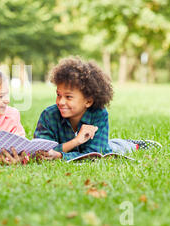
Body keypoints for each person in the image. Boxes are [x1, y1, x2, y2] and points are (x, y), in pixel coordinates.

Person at [34, 57, 162, 161]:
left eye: (68, 97)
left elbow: (96, 154)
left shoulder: (98, 114)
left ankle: (134, 145)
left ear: (88, 101)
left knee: (114, 148)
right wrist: (76, 141)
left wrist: (61, 156)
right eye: (58, 95)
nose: (60, 102)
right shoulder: (48, 115)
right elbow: (39, 152)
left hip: (107, 147)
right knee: (109, 144)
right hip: (77, 144)